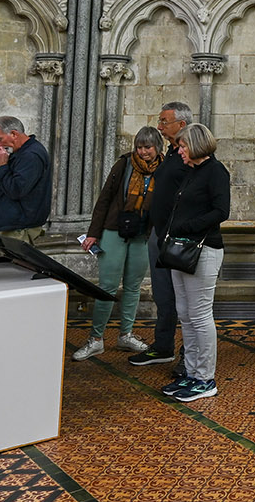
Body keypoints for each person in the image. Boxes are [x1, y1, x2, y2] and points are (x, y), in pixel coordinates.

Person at [75, 126, 164, 360]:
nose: (143, 152)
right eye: (139, 147)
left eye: (148, 147)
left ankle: (126, 334)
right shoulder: (123, 165)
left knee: (134, 286)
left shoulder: (165, 168)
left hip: (143, 234)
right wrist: (93, 233)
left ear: (158, 147)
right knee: (107, 286)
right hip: (114, 230)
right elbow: (104, 199)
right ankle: (96, 339)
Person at [158, 123, 229, 401]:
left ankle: (205, 379)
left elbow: (221, 211)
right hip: (182, 250)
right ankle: (190, 373)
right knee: (185, 314)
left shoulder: (215, 172)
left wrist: (185, 228)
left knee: (200, 316)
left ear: (197, 145)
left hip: (204, 250)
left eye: (183, 146)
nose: (179, 151)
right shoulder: (192, 172)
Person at [131, 102, 194, 368]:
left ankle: (189, 356)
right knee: (163, 294)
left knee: (186, 300)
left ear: (181, 124)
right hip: (159, 234)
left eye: (164, 121)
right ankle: (163, 345)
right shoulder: (171, 152)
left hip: (177, 236)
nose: (160, 126)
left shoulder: (191, 154)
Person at [0, 115, 50, 244]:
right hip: (10, 224)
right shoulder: (19, 152)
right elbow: (12, 183)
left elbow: (17, 189)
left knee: (15, 263)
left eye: (0, 139)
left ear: (14, 134)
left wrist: (2, 166)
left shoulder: (31, 155)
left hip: (19, 227)